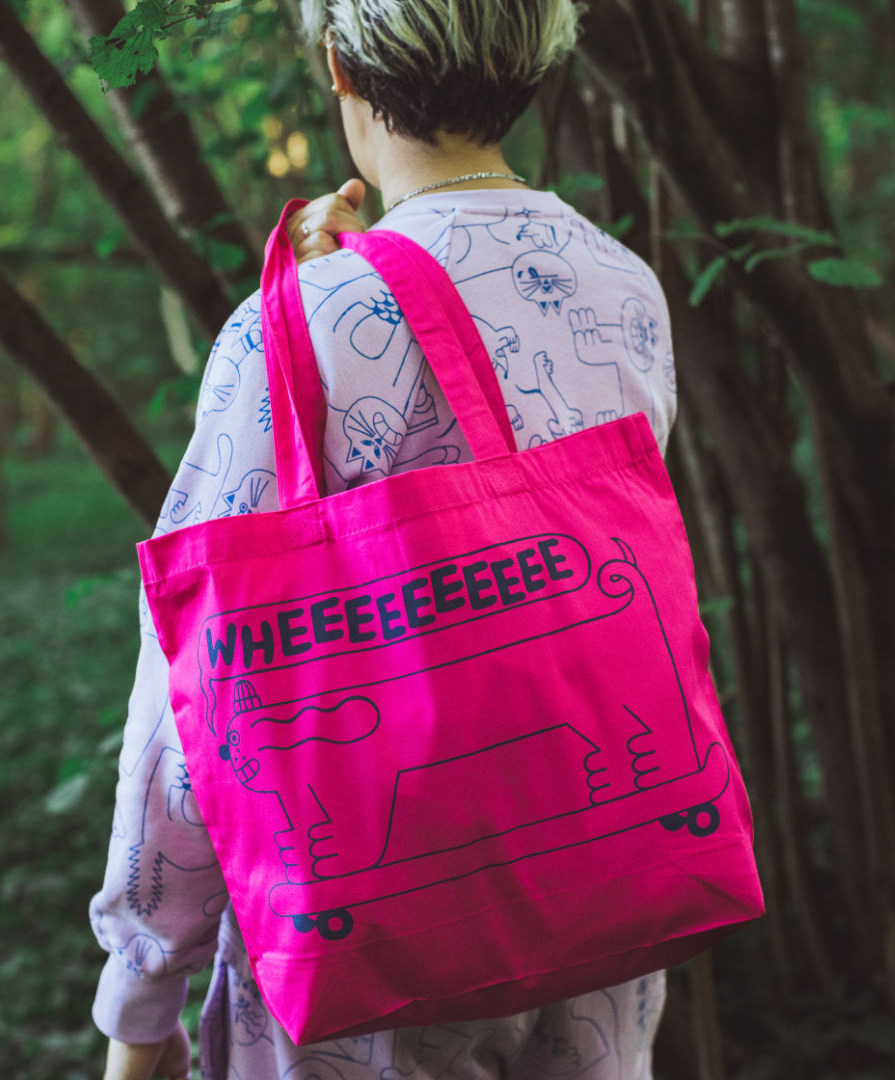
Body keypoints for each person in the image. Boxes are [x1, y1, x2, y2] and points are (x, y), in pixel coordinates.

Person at [90, 1, 677, 1077]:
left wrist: (143, 990)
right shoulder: (624, 288)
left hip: (371, 964)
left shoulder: (297, 327)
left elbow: (194, 690)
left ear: (340, 67)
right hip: (597, 911)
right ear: (537, 63)